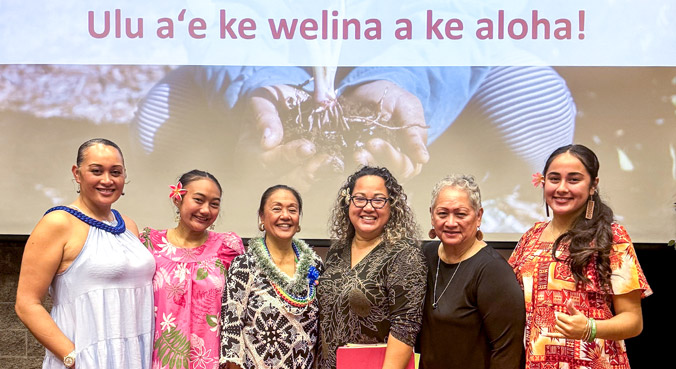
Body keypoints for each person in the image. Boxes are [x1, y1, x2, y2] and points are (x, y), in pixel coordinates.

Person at [131, 65, 575, 188]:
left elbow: (461, 17)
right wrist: (261, 83)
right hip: (282, 78)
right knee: (159, 121)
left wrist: (399, 80)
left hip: (421, 82)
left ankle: (460, 190)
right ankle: (249, 179)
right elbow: (218, 17)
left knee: (533, 96)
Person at [14, 138, 155, 369]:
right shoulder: (58, 223)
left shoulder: (128, 226)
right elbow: (26, 304)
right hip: (85, 367)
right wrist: (74, 358)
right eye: (96, 171)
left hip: (133, 362)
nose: (107, 180)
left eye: (116, 172)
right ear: (77, 174)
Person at [509, 144, 652, 369]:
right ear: (543, 182)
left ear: (593, 185)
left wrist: (590, 328)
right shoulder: (530, 237)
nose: (562, 188)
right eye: (554, 179)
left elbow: (633, 321)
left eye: (573, 179)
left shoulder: (612, 238)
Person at [315, 166, 426, 369]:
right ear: (348, 202)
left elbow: (405, 326)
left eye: (378, 200)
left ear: (391, 205)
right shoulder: (337, 251)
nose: (368, 207)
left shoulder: (405, 255)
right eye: (360, 199)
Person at [416, 174, 525, 369]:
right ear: (432, 216)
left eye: (460, 214)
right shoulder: (425, 256)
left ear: (478, 216)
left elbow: (507, 352)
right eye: (442, 213)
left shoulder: (493, 271)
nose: (450, 222)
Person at [139, 170, 244, 369]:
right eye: (198, 200)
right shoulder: (149, 243)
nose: (206, 210)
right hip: (160, 363)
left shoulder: (228, 246)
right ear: (178, 199)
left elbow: (241, 308)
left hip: (211, 364)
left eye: (214, 204)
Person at [220, 185, 323, 369]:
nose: (285, 215)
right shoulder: (245, 265)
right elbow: (231, 331)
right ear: (261, 217)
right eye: (277, 208)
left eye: (292, 210)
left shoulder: (314, 264)